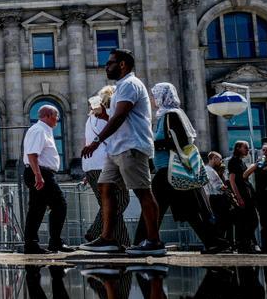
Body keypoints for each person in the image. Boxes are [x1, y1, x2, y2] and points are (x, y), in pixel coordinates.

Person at [80, 49, 162, 256]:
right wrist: (104, 116)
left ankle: (154, 241)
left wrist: (97, 141)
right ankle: (108, 238)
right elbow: (116, 118)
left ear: (123, 64)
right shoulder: (120, 88)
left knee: (142, 191)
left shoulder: (130, 85)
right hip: (117, 148)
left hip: (131, 146)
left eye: (110, 63)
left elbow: (121, 117)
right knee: (105, 187)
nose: (106, 67)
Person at [145, 82, 230, 254]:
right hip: (169, 170)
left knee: (153, 206)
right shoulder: (165, 116)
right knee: (190, 211)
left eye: (155, 95)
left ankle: (146, 241)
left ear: (163, 96)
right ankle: (214, 242)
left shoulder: (171, 115)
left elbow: (180, 141)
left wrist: (152, 144)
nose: (153, 99)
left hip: (171, 169)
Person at [21, 104, 73, 253]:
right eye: (56, 116)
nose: (58, 119)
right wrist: (38, 175)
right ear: (49, 115)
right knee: (59, 204)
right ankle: (54, 241)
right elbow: (32, 154)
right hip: (40, 172)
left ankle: (31, 244)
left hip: (39, 172)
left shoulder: (43, 130)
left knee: (37, 209)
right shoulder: (39, 130)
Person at [83, 86, 130, 245]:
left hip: (90, 167)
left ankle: (122, 243)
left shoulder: (90, 119)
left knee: (110, 206)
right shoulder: (108, 117)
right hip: (106, 165)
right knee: (120, 201)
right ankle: (94, 232)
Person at [227, 141, 260, 253]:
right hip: (242, 195)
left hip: (247, 194)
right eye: (245, 147)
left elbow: (244, 177)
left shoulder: (241, 161)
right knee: (247, 221)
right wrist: (238, 197)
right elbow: (232, 180)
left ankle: (247, 243)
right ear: (238, 148)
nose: (248, 150)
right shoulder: (233, 161)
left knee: (252, 220)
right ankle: (244, 243)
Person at [204, 152, 233, 246]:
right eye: (219, 159)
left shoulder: (207, 169)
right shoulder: (210, 170)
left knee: (220, 222)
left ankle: (221, 242)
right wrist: (227, 189)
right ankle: (223, 242)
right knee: (222, 221)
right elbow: (219, 186)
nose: (221, 162)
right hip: (216, 198)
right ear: (214, 158)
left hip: (213, 198)